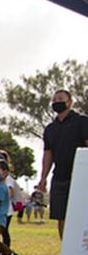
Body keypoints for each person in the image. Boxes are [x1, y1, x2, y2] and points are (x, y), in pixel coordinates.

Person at [37, 89, 88, 239]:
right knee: (61, 216)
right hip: (59, 177)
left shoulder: (82, 122)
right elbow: (48, 154)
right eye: (54, 100)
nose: (56, 102)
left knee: (82, 216)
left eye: (60, 98)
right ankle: (66, 252)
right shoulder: (50, 129)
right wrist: (43, 177)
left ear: (70, 102)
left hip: (80, 177)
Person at [0, 149, 22, 253]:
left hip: (4, 211)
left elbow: (10, 192)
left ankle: (8, 254)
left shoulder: (6, 179)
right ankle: (7, 253)